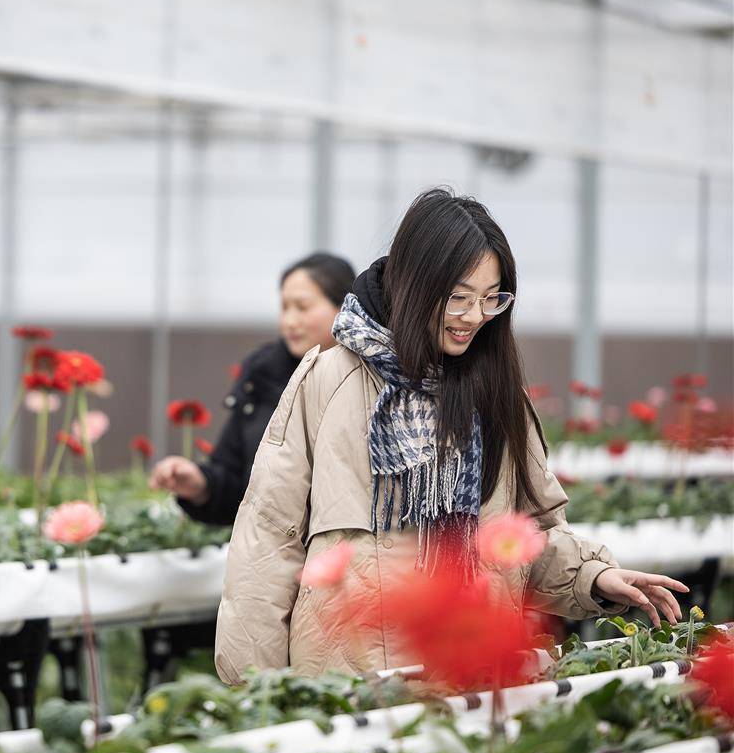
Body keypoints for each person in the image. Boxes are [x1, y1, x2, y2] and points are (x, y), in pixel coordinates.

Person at [214, 189, 688, 683]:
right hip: (348, 679)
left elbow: (526, 537)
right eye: (458, 297)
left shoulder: (497, 391)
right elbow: (269, 537)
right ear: (413, 283)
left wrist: (595, 575)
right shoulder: (328, 379)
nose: (474, 316)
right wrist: (256, 688)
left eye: (491, 298)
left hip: (471, 669)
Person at [149, 253, 356, 526]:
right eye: (284, 307)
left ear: (345, 308)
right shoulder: (262, 376)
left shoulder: (371, 381)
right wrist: (200, 484)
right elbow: (239, 488)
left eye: (302, 307)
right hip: (272, 557)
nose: (290, 321)